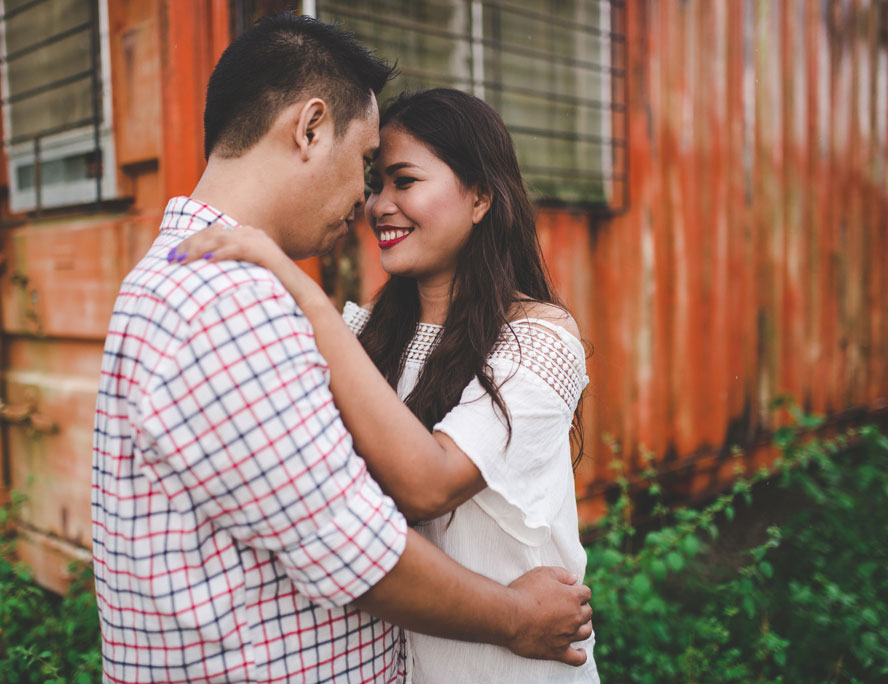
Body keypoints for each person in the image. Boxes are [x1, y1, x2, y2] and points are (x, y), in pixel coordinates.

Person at [91, 14, 592, 684]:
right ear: (309, 128)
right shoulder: (239, 304)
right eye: (367, 169)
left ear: (479, 197)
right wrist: (513, 615)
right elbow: (359, 550)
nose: (369, 199)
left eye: (398, 179)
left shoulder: (534, 338)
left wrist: (297, 291)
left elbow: (415, 487)